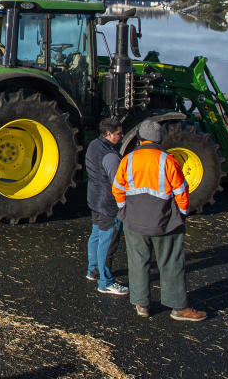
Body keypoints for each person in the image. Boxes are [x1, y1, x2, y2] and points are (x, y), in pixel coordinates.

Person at [113, 120, 207, 321]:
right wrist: (181, 214)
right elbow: (182, 192)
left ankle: (142, 304)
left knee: (138, 261)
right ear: (159, 139)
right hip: (164, 222)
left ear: (140, 139)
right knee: (171, 262)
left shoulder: (128, 160)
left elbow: (117, 189)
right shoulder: (168, 161)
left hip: (134, 220)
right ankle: (178, 307)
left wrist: (124, 210)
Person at [85, 118, 128, 296]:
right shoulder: (110, 155)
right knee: (108, 242)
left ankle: (93, 270)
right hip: (108, 204)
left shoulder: (94, 145)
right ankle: (106, 282)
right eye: (119, 133)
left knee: (96, 234)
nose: (122, 135)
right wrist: (124, 204)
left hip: (94, 199)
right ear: (108, 134)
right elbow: (117, 183)